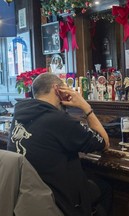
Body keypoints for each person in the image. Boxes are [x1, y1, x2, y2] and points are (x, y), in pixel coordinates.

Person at [8, 73, 111, 216]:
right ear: (58, 89)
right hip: (59, 201)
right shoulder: (57, 119)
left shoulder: (19, 115)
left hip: (28, 200)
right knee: (106, 188)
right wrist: (85, 106)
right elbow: (104, 142)